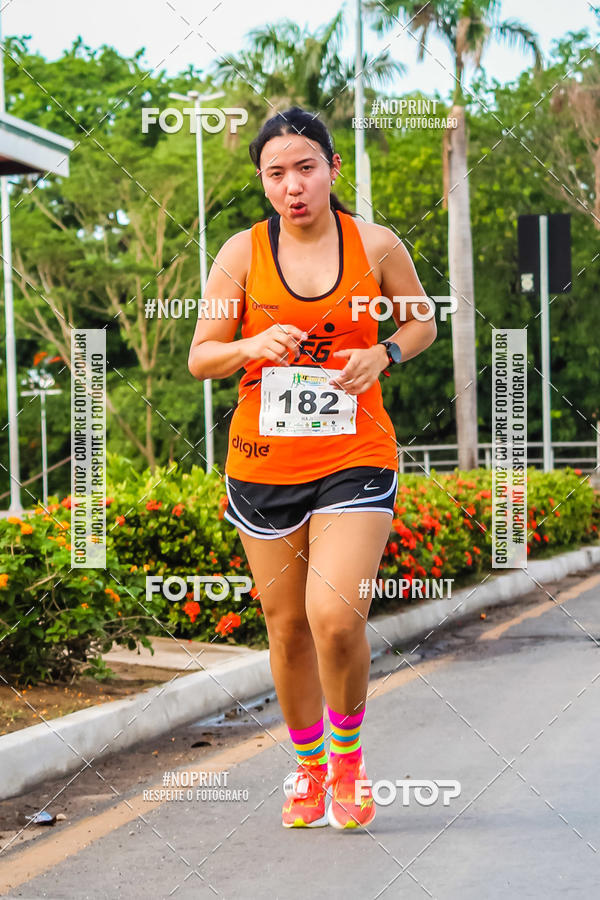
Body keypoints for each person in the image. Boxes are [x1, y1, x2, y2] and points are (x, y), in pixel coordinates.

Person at [188, 106, 436, 830]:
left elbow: (421, 319)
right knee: (287, 624)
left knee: (334, 617)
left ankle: (350, 762)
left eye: (305, 167)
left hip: (354, 453)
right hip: (262, 459)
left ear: (330, 169)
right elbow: (204, 355)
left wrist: (383, 353)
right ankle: (307, 768)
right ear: (263, 183)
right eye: (275, 173)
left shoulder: (375, 244)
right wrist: (250, 346)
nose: (292, 185)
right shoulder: (240, 253)